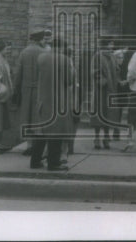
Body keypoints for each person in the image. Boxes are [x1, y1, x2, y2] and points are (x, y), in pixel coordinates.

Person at [30, 37, 76, 171]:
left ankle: (35, 161)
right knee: (56, 133)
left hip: (43, 100)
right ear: (61, 47)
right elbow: (69, 81)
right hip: (58, 101)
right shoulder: (65, 60)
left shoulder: (41, 58)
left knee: (42, 132)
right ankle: (53, 163)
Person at [12, 29, 45, 156]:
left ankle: (29, 145)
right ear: (40, 39)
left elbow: (18, 73)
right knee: (38, 117)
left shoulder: (24, 52)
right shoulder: (43, 52)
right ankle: (37, 146)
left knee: (26, 117)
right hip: (39, 90)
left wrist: (16, 88)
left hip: (25, 90)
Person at [90, 38, 120, 149]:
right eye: (111, 43)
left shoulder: (112, 56)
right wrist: (102, 80)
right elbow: (94, 71)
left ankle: (106, 137)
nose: (112, 45)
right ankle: (97, 138)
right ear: (107, 44)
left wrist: (117, 78)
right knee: (98, 113)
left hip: (111, 90)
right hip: (100, 91)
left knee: (109, 115)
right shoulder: (97, 56)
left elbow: (116, 70)